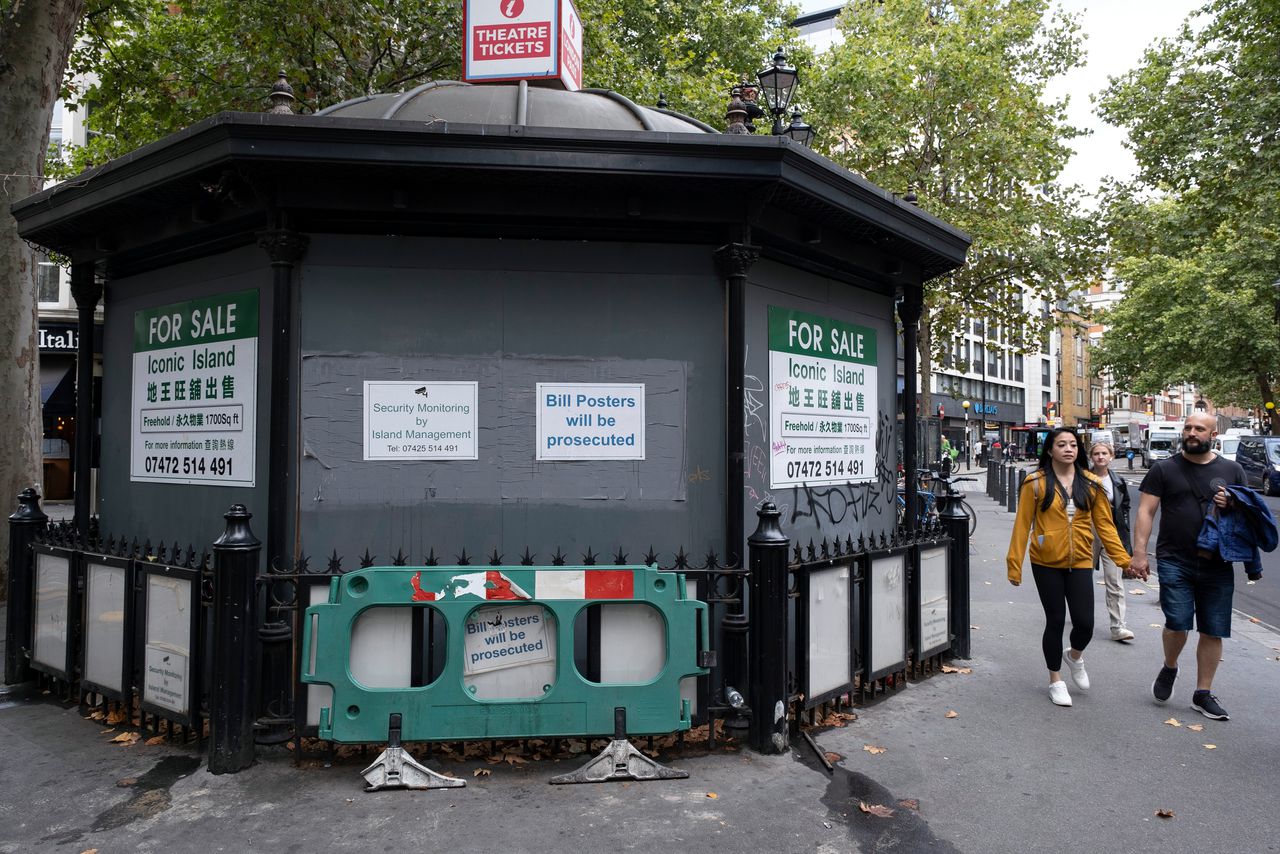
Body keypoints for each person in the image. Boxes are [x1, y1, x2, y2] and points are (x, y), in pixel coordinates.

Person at [1129, 413, 1247, 721]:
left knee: (1213, 629)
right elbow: (1145, 511)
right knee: (1178, 622)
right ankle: (1170, 666)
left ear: (1213, 435)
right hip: (1174, 559)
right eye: (1188, 428)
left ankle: (1202, 694)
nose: (1192, 433)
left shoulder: (1231, 470)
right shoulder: (1163, 469)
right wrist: (1139, 553)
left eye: (1199, 429)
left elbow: (1249, 517)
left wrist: (1233, 505)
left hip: (1218, 563)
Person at [1006, 427, 1132, 707]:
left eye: (1073, 445)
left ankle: (1074, 655)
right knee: (1055, 620)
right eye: (1061, 444)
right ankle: (1056, 680)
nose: (1068, 449)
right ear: (1050, 450)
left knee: (1085, 624)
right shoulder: (1035, 482)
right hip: (1045, 562)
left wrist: (1125, 561)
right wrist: (1015, 565)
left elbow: (1106, 527)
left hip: (1081, 561)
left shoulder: (1091, 483)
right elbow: (1022, 525)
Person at [1089, 441, 1136, 642]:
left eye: (1104, 453)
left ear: (1111, 456)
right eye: (1096, 453)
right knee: (1080, 579)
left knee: (1115, 581)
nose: (1100, 457)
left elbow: (1124, 507)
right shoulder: (1082, 479)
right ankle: (1079, 614)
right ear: (1091, 457)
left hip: (1112, 534)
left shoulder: (1118, 481)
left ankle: (1118, 626)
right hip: (1087, 534)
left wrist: (1124, 534)